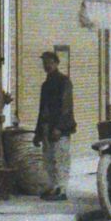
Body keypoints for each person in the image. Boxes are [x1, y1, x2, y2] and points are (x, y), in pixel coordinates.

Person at [33, 50, 76, 202]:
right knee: (48, 159)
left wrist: (59, 127)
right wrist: (38, 132)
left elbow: (66, 107)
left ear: (56, 63)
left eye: (50, 63)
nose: (47, 66)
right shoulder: (45, 85)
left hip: (60, 129)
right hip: (46, 128)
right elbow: (42, 109)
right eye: (45, 63)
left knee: (61, 158)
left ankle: (62, 189)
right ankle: (53, 187)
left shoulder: (64, 82)